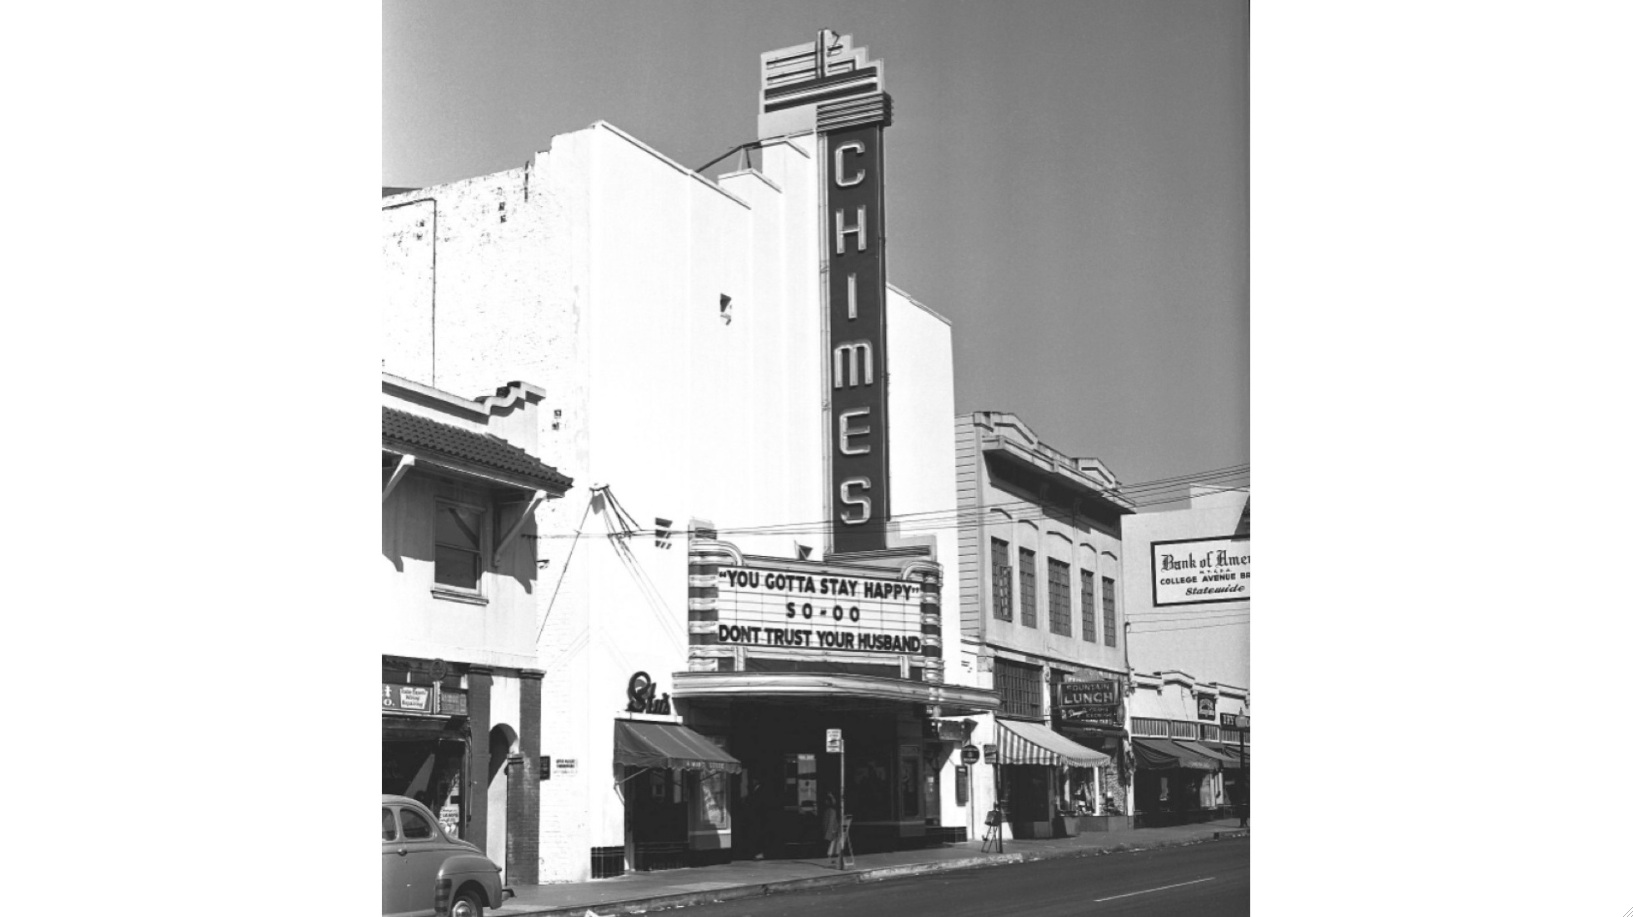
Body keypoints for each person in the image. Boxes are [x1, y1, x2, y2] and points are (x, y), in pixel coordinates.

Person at [822, 792, 842, 867]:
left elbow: (830, 822)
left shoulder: (831, 811)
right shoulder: (830, 810)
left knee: (831, 847)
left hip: (830, 831)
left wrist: (830, 832)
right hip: (830, 831)